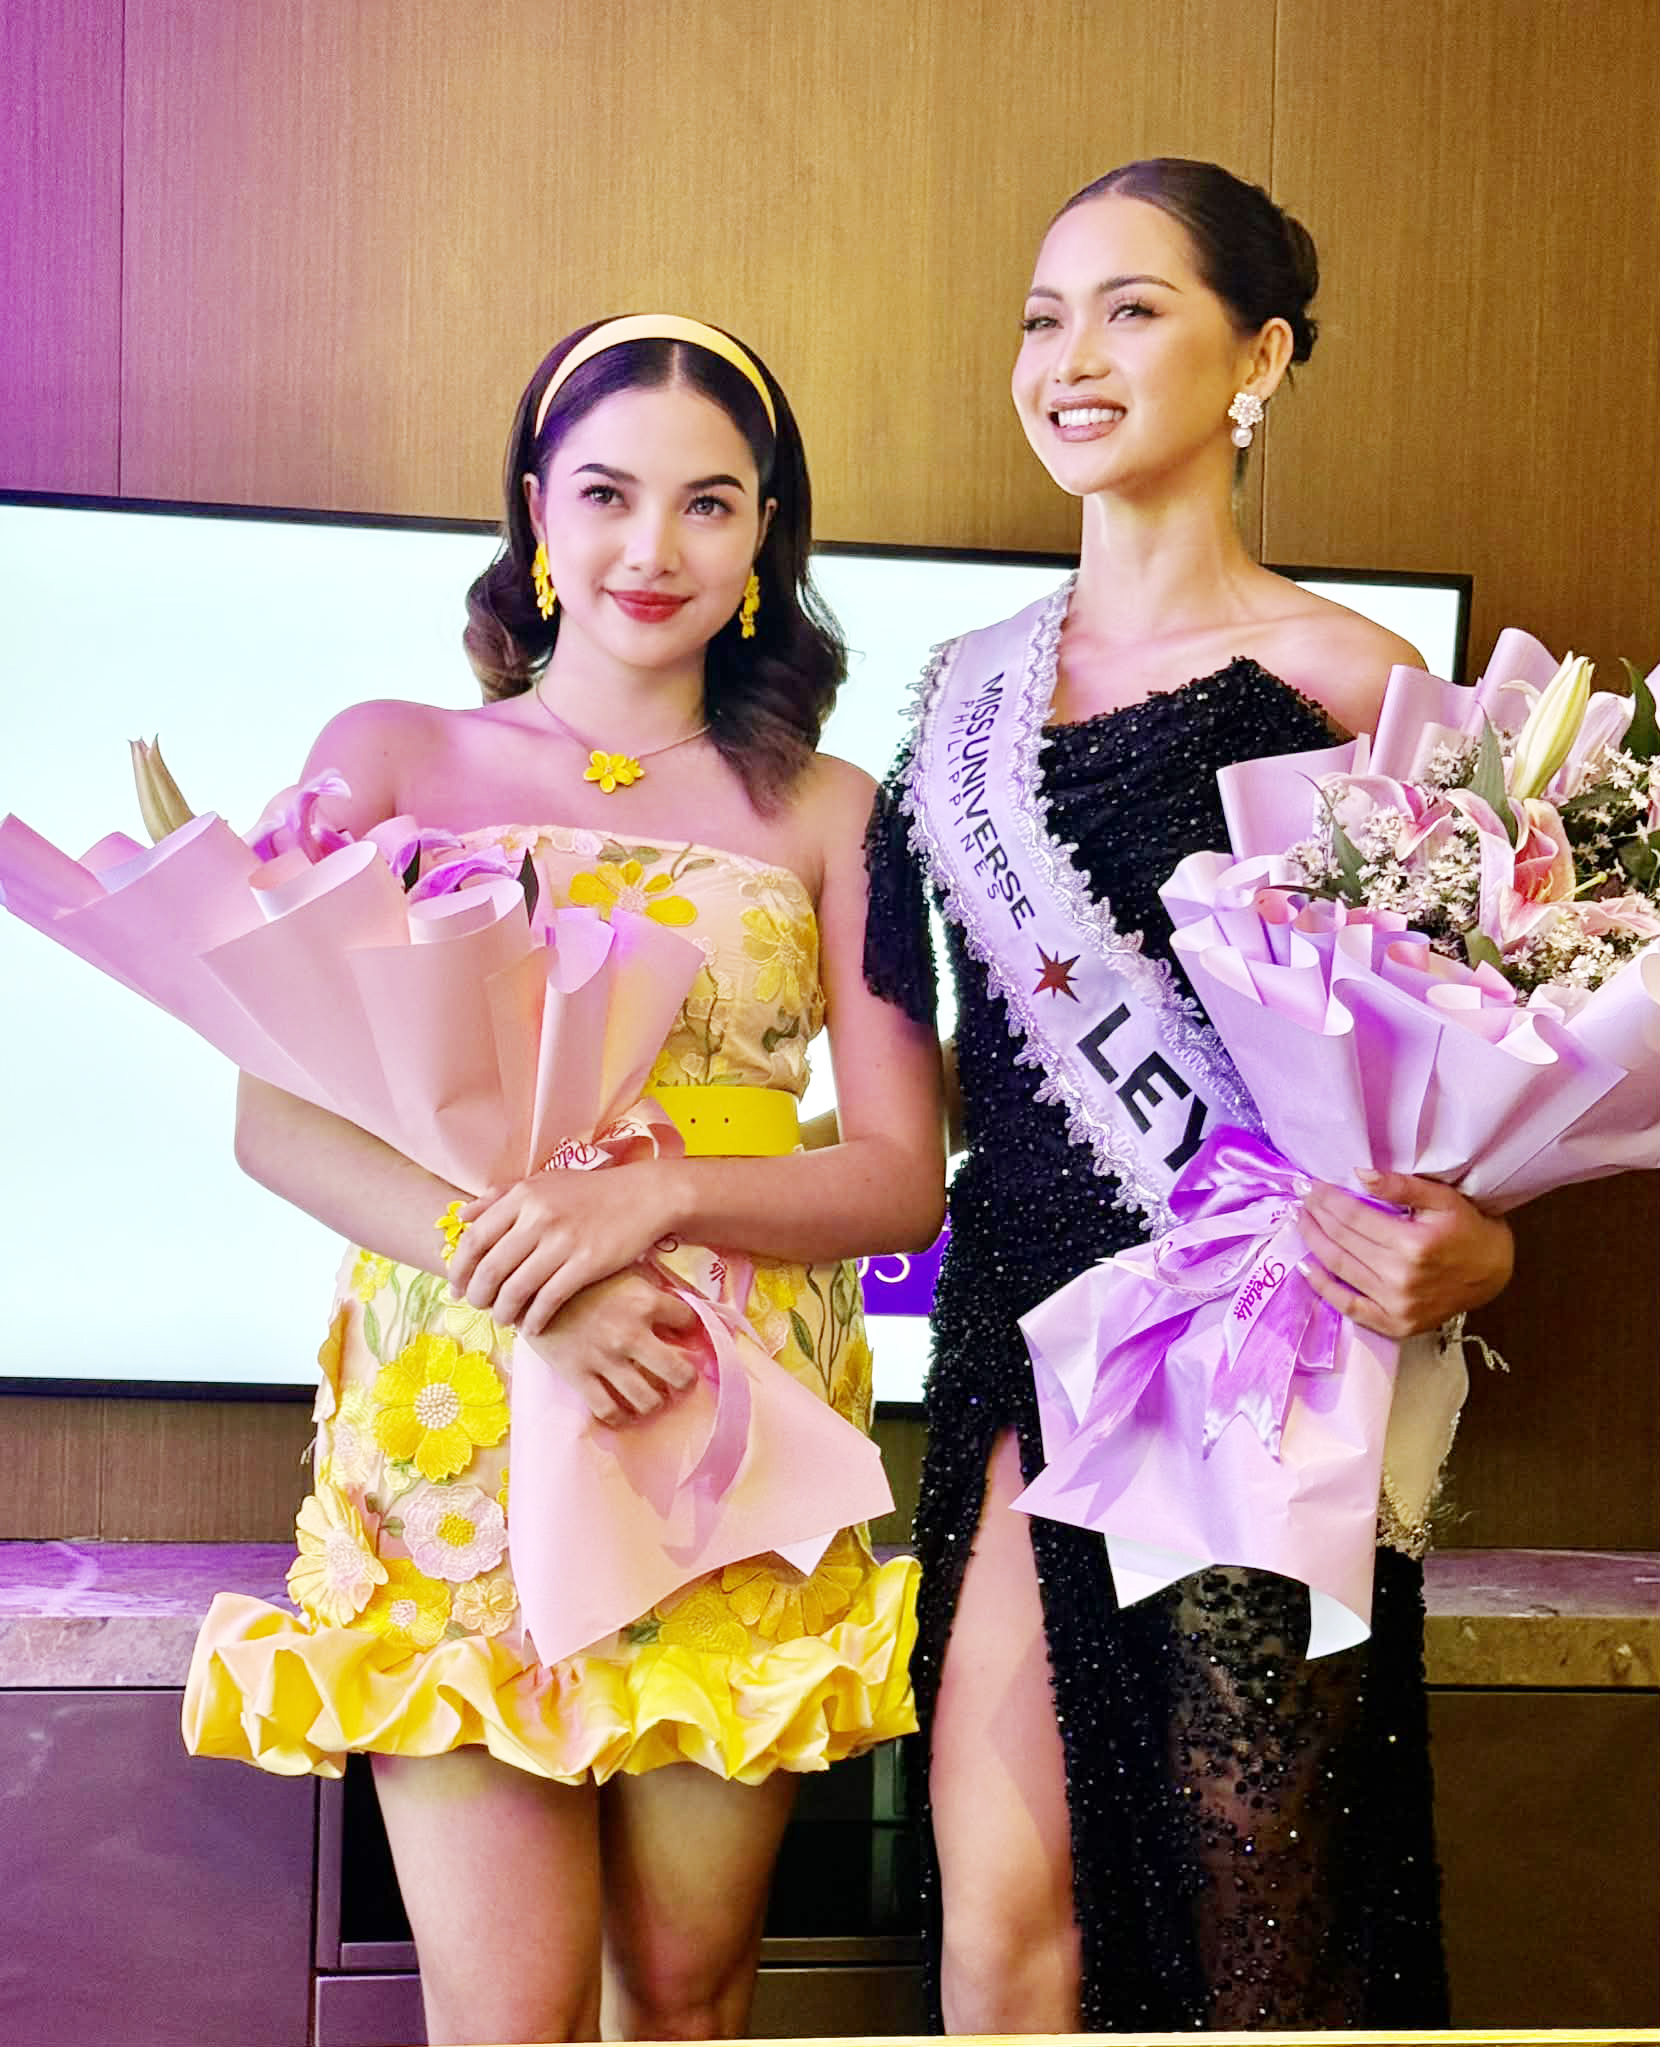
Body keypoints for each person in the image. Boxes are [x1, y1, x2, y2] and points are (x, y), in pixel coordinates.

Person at [184, 314, 945, 2047]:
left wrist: (650, 1205)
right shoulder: (388, 757)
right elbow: (276, 1122)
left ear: (766, 535)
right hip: (460, 1428)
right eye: (606, 494)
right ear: (537, 508)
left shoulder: (842, 811)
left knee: (687, 2002)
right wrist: (537, 1279)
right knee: (508, 2017)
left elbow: (900, 1178)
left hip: (726, 1433)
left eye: (708, 503)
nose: (650, 548)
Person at [864, 162, 1517, 2030]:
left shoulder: (1354, 682)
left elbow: (1478, 1059)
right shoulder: (964, 696)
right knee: (1002, 1920)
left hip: (1257, 1339)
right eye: (1042, 318)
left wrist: (1477, 1245)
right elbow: (954, 1061)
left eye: (1132, 309)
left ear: (1260, 358)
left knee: (1261, 1924)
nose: (1070, 356)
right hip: (1021, 1333)